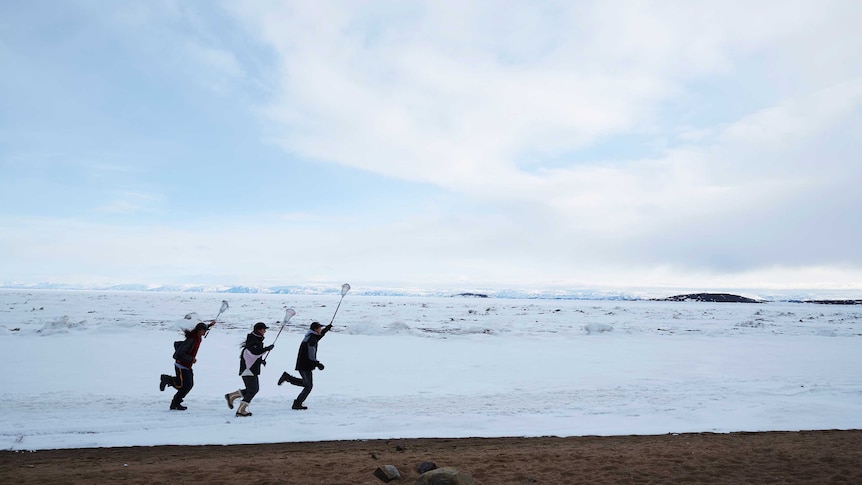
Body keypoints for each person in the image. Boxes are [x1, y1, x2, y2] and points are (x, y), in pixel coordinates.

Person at [159, 320, 214, 411]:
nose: (205, 332)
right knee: (185, 386)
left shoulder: (196, 336)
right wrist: (191, 359)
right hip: (181, 365)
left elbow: (201, 328)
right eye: (204, 330)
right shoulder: (192, 339)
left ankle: (175, 402)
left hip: (187, 365)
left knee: (188, 385)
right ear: (199, 330)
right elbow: (180, 353)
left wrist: (209, 325)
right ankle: (169, 383)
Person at [278, 321, 332, 410]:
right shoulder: (312, 339)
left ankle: (287, 377)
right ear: (315, 329)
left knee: (306, 383)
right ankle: (297, 403)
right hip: (305, 365)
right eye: (320, 328)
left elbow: (319, 336)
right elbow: (311, 355)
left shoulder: (310, 336)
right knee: (308, 386)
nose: (320, 329)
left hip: (303, 364)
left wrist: (326, 329)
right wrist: (318, 364)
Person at [225, 322, 274, 417]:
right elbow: (254, 353)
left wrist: (260, 361)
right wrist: (267, 349)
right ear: (259, 330)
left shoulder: (255, 339)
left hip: (250, 369)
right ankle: (241, 410)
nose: (265, 331)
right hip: (248, 369)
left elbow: (253, 356)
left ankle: (232, 396)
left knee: (252, 389)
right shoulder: (253, 340)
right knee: (253, 390)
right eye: (264, 329)